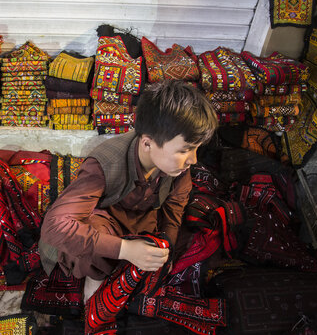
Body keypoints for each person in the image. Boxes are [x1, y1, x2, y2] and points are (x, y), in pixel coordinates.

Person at [39, 80, 218, 301]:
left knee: (200, 241)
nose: (193, 159)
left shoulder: (178, 166)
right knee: (92, 238)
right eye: (185, 150)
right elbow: (54, 226)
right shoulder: (104, 163)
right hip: (106, 220)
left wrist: (166, 246)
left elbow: (175, 207)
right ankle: (93, 292)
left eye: (196, 149)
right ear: (147, 144)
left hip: (144, 221)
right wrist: (125, 250)